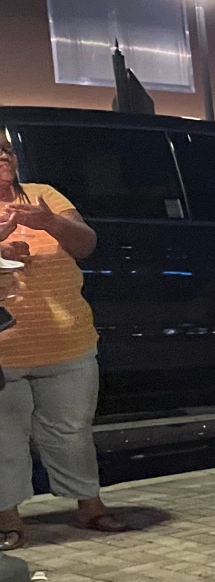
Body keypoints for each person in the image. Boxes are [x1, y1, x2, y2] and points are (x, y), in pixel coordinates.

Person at [0, 139, 128, 547]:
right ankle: (8, 518)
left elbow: (85, 243)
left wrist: (48, 222)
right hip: (5, 351)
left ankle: (90, 505)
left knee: (72, 430)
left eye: (7, 151)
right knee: (4, 438)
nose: (3, 157)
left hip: (66, 340)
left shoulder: (44, 196)